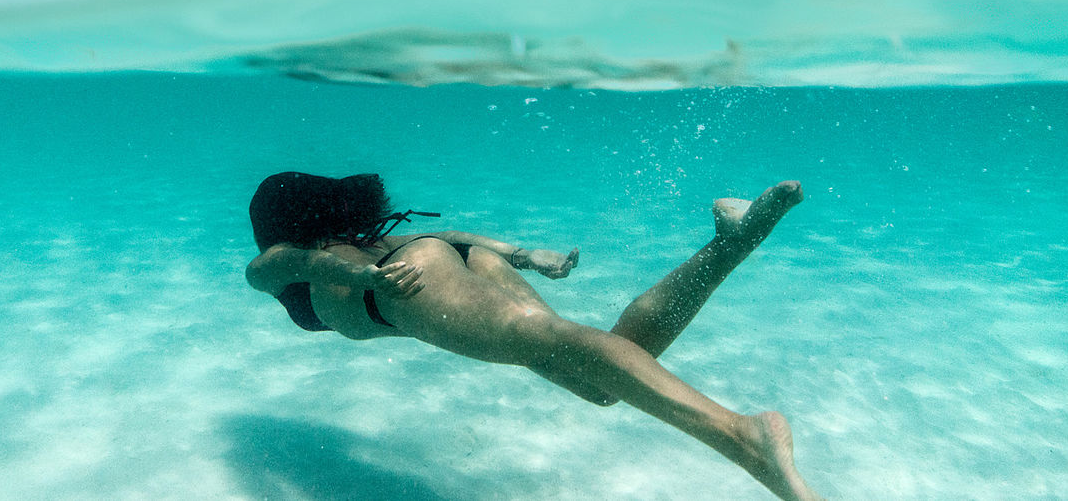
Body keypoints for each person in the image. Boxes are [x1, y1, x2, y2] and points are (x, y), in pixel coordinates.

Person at [246, 172, 822, 500]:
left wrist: (359, 275)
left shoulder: (283, 258)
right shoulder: (351, 242)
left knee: (557, 340)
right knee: (593, 381)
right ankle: (730, 243)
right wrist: (519, 255)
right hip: (439, 266)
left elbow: (296, 264)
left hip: (402, 286)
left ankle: (744, 437)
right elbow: (450, 236)